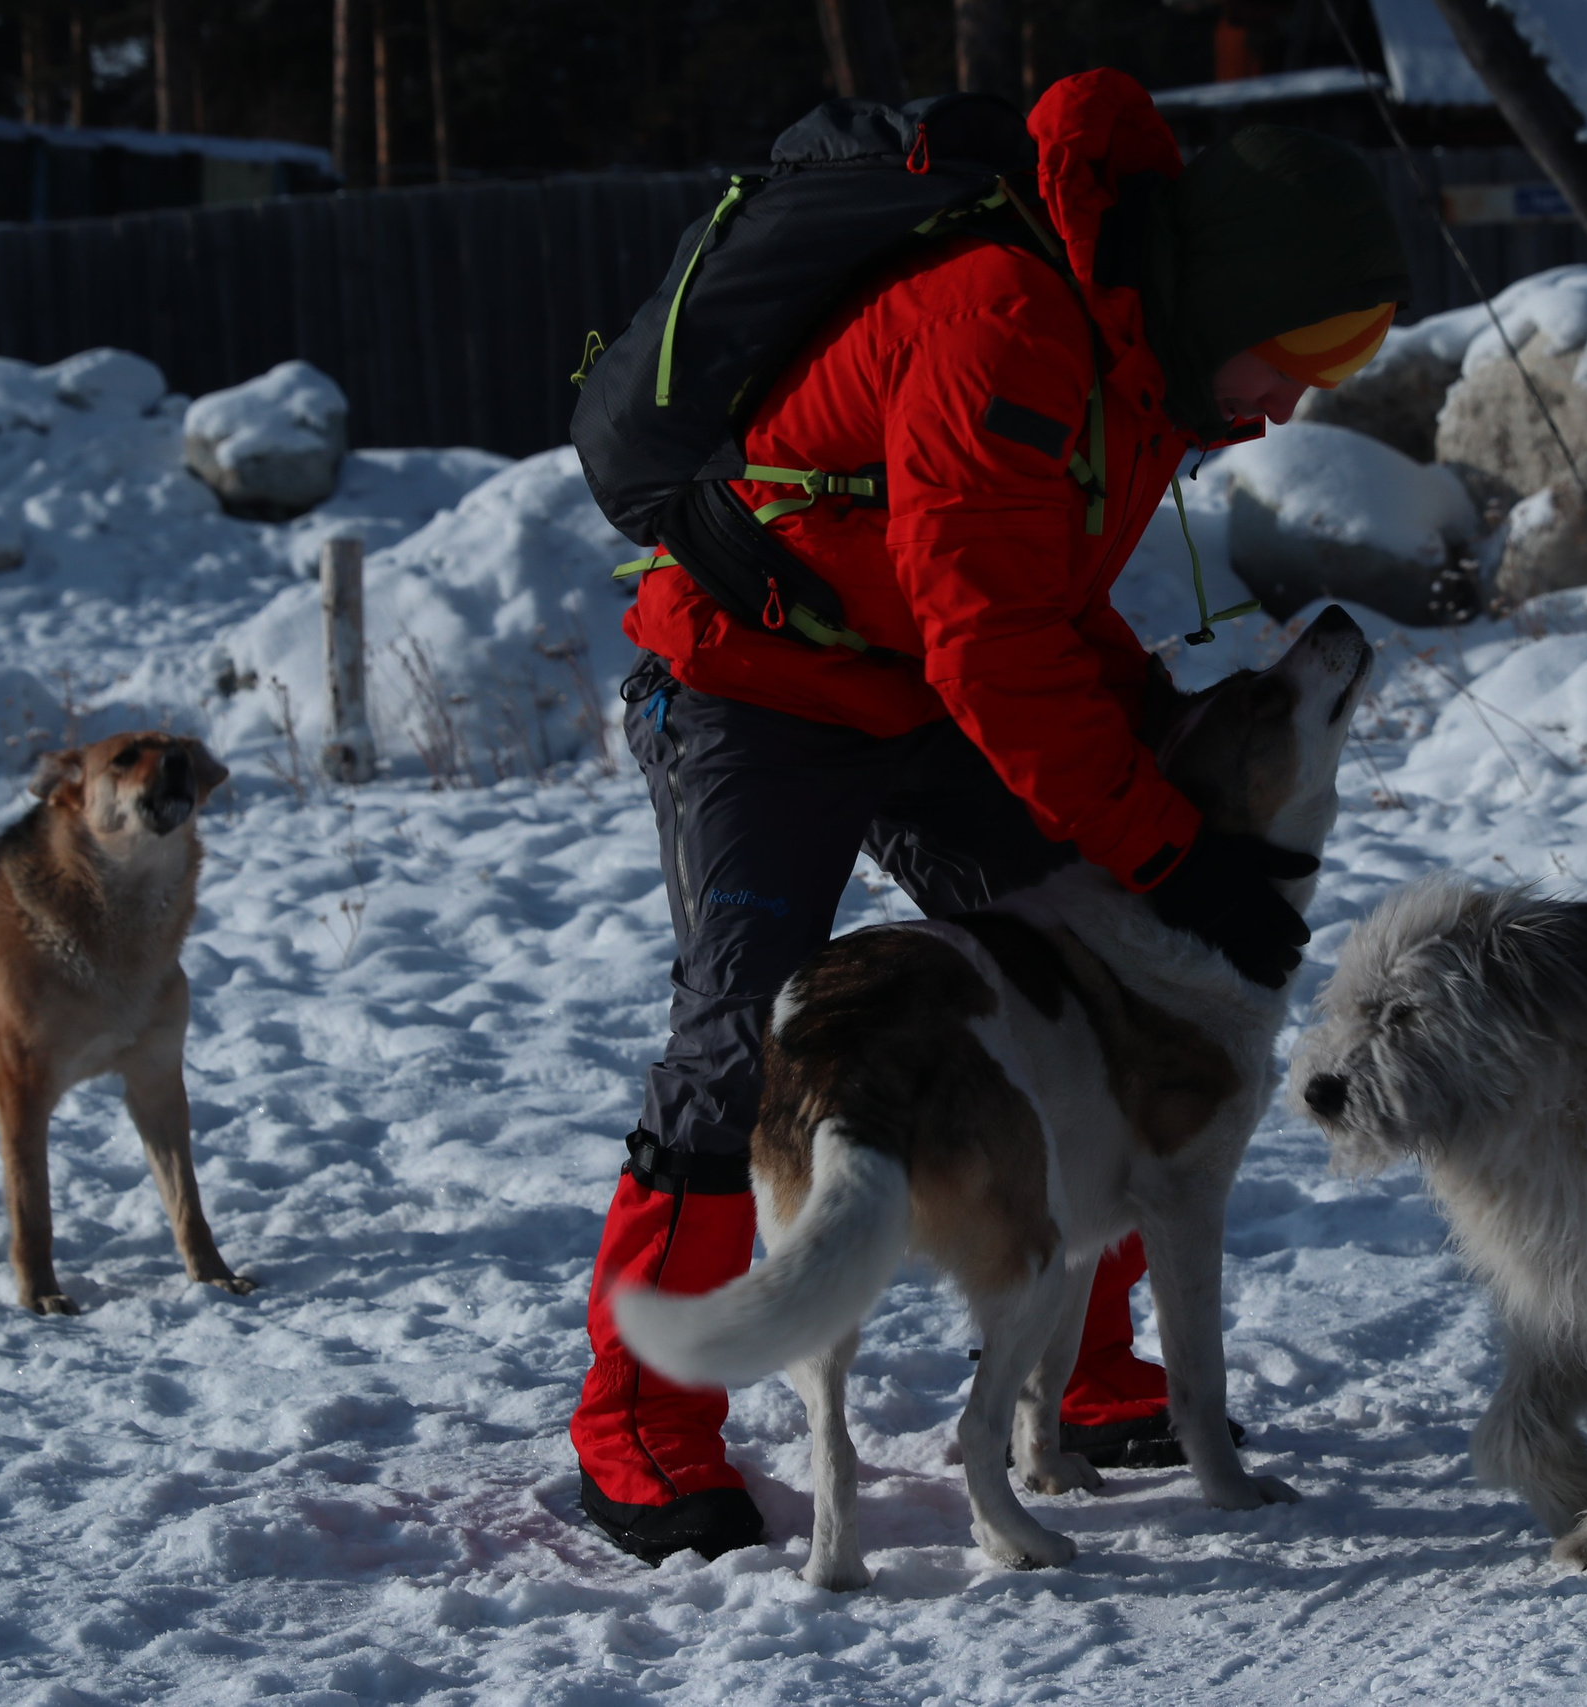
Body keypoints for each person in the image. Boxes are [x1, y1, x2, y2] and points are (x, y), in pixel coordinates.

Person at [571, 67, 1411, 1566]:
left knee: (1086, 965)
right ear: (1231, 295)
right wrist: (1171, 846)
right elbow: (990, 640)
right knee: (741, 1024)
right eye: (1295, 356)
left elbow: (1030, 594)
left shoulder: (1145, 361)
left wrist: (1149, 766)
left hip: (907, 668)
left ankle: (1072, 1372)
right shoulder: (1011, 321)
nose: (1294, 402)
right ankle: (644, 1423)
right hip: (755, 668)